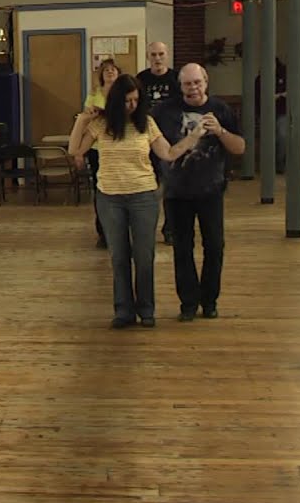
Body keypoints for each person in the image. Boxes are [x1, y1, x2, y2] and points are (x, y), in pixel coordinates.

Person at [69, 74, 204, 329]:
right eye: (127, 100)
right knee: (119, 256)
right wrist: (83, 119)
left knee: (144, 256)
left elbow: (168, 152)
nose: (131, 105)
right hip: (110, 198)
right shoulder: (102, 124)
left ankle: (146, 309)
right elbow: (75, 150)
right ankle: (123, 311)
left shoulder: (147, 124)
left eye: (135, 100)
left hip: (143, 196)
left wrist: (193, 137)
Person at [154, 64, 246, 322]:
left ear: (206, 82)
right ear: (180, 86)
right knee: (182, 249)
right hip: (176, 192)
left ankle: (210, 300)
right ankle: (188, 303)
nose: (193, 88)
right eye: (187, 84)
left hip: (211, 191)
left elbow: (239, 147)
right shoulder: (164, 111)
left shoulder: (221, 110)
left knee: (214, 247)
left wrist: (220, 132)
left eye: (197, 83)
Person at [137, 42, 178, 245]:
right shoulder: (141, 79)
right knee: (148, 189)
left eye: (161, 54)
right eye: (153, 54)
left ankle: (170, 229)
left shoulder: (175, 79)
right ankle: (145, 229)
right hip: (146, 140)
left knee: (170, 188)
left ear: (167, 55)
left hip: (169, 139)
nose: (157, 58)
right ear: (148, 56)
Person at [80, 59, 120, 248]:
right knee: (100, 190)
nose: (110, 73)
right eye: (106, 71)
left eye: (113, 70)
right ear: (101, 75)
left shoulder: (124, 94)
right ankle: (103, 232)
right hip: (97, 148)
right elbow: (87, 119)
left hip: (118, 147)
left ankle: (120, 231)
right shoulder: (94, 95)